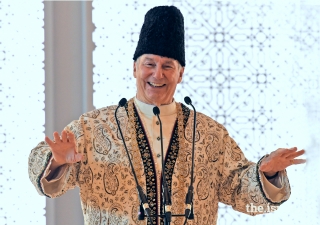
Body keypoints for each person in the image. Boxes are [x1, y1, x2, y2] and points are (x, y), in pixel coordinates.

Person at [28, 5, 306, 225]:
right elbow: (48, 184)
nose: (157, 74)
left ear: (180, 73)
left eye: (168, 66)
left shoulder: (209, 134)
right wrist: (57, 162)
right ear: (135, 68)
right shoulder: (92, 128)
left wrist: (266, 173)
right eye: (149, 64)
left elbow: (238, 190)